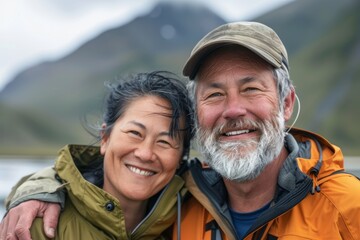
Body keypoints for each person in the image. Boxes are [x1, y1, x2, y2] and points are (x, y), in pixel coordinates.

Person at [2, 22, 360, 240]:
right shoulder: (180, 205)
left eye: (251, 89)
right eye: (215, 94)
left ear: (285, 103)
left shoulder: (349, 207)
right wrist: (39, 190)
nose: (233, 110)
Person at [0, 71, 194, 240]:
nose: (145, 154)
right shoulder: (37, 226)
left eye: (165, 142)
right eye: (135, 133)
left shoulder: (188, 226)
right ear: (105, 138)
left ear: (180, 159)